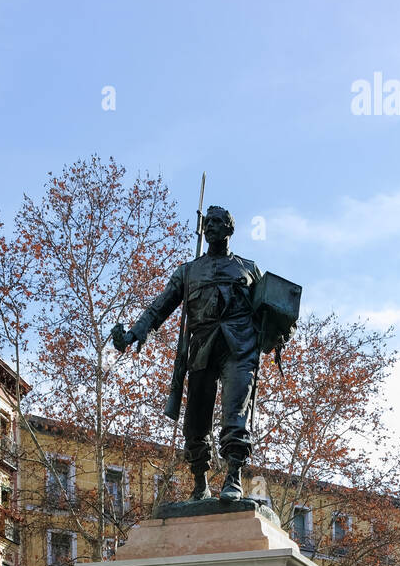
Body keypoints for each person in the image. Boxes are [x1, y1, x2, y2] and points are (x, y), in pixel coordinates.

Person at [114, 205, 297, 502]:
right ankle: (200, 482)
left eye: (218, 222)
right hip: (201, 350)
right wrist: (135, 332)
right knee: (196, 423)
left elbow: (275, 309)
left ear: (229, 230)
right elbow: (159, 307)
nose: (210, 226)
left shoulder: (248, 269)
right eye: (207, 222)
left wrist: (279, 332)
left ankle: (233, 478)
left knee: (235, 415)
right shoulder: (188, 271)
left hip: (239, 348)